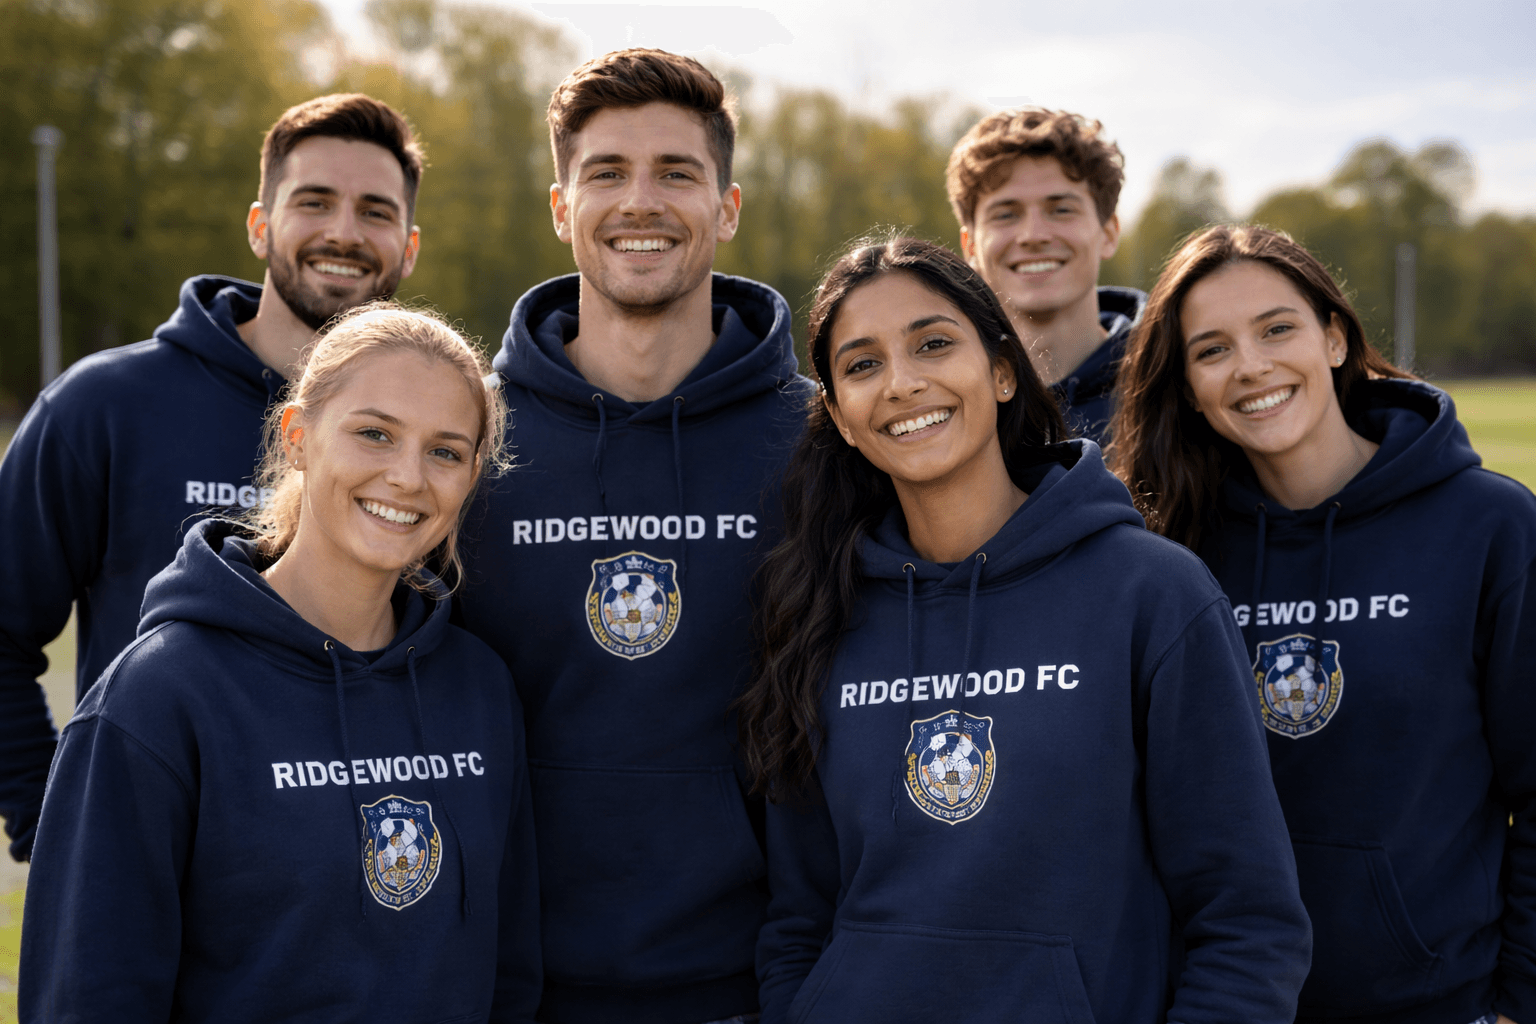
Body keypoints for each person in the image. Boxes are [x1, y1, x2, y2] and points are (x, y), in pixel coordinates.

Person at [740, 235, 1311, 1024]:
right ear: (838, 416)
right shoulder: (818, 611)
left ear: (1003, 371)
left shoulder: (1151, 593)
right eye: (862, 365)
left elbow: (1247, 919)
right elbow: (801, 915)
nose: (903, 384)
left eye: (933, 344)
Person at [20, 303, 540, 1021]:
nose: (408, 477)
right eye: (374, 434)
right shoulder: (157, 698)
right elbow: (89, 997)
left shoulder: (479, 689)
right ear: (298, 437)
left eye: (445, 451)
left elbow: (509, 976)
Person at [454, 49, 811, 1024]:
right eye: (606, 172)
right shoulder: (464, 441)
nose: (640, 201)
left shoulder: (823, 442)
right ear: (562, 208)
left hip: (756, 983)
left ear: (728, 208)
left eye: (676, 173)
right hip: (510, 985)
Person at [1108, 223, 1536, 1023]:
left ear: (1334, 339)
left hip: (1438, 1002)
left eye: (1277, 329)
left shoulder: (1490, 527)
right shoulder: (1171, 555)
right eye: (1212, 350)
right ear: (1189, 386)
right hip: (1225, 1003)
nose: (1252, 366)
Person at [0, 92, 425, 863]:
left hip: (356, 888)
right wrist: (51, 818)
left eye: (375, 211)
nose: (343, 232)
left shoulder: (428, 439)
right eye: (314, 201)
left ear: (409, 246)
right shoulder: (106, 405)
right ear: (261, 225)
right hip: (150, 874)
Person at [946, 107, 1145, 442]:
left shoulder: (1176, 385)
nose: (1033, 234)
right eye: (1006, 214)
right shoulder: (941, 405)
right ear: (971, 246)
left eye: (1061, 210)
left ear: (1109, 233)